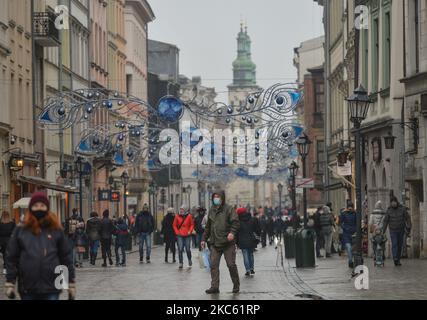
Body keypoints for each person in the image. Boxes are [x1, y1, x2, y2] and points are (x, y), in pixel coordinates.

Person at [4, 192, 75, 300]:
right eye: (36, 206)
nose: (39, 208)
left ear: (47, 208)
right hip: (28, 285)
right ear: (31, 208)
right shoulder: (21, 230)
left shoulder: (55, 229)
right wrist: (10, 282)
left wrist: (69, 283)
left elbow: (65, 257)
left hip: (52, 285)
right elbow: (12, 257)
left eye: (42, 206)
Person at [201, 191, 240, 294]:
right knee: (213, 265)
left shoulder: (229, 209)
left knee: (231, 265)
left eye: (218, 197)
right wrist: (203, 239)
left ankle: (236, 284)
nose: (216, 198)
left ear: (222, 198)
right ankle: (214, 287)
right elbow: (208, 227)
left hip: (228, 243)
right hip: (215, 243)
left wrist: (232, 233)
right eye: (214, 197)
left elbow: (235, 222)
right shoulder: (211, 210)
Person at [383, 196, 412, 266]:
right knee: (395, 244)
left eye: (394, 202)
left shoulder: (402, 209)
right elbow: (385, 221)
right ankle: (395, 257)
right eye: (392, 202)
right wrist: (383, 231)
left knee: (400, 245)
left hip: (401, 229)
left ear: (396, 202)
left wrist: (408, 226)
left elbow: (407, 218)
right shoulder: (389, 210)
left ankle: (398, 260)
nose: (393, 204)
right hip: (393, 230)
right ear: (391, 203)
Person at [236, 207, 260, 276]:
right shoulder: (252, 219)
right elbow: (257, 229)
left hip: (242, 240)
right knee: (251, 254)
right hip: (251, 240)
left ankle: (247, 270)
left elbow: (236, 233)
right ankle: (252, 269)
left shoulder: (238, 221)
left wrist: (237, 242)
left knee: (245, 255)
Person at [173, 204, 195, 269]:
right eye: (180, 209)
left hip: (187, 235)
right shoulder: (177, 216)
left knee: (188, 249)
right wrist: (177, 232)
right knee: (180, 249)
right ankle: (181, 263)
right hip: (179, 235)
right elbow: (174, 225)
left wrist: (190, 231)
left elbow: (192, 224)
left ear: (185, 210)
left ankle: (189, 259)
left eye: (182, 209)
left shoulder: (189, 216)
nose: (181, 210)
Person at [339, 203, 357, 268]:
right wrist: (345, 228)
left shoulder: (356, 214)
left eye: (351, 207)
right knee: (349, 248)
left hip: (354, 233)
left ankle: (354, 260)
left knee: (354, 249)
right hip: (346, 233)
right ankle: (350, 261)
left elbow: (357, 223)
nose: (350, 208)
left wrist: (356, 230)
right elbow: (340, 223)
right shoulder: (343, 214)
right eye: (349, 207)